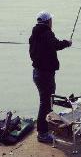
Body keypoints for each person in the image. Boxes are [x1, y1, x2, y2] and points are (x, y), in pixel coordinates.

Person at [29, 11, 72, 143]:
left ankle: (44, 129)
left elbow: (48, 46)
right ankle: (42, 134)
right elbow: (56, 44)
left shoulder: (35, 34)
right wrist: (67, 43)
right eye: (51, 20)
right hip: (44, 75)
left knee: (46, 102)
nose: (52, 22)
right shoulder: (46, 33)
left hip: (37, 73)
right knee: (46, 103)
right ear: (48, 22)